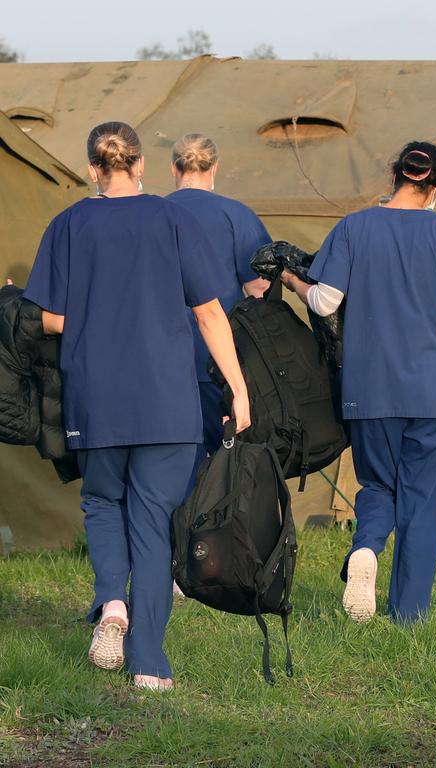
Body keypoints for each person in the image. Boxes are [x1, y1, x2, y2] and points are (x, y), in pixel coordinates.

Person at [23, 122, 250, 691]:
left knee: (102, 502)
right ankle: (150, 664)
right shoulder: (173, 219)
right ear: (143, 164)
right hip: (167, 400)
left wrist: (97, 321)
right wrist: (238, 388)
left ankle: (111, 605)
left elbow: (44, 318)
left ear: (92, 169)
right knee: (153, 523)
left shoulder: (69, 224)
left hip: (96, 396)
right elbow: (209, 312)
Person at [282, 141, 436, 624]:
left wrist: (292, 282)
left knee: (377, 487)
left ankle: (366, 547)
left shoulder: (354, 227)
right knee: (422, 505)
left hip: (368, 391)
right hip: (431, 394)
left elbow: (325, 302)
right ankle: (407, 616)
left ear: (394, 174)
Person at [166, 133, 271, 464]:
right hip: (218, 359)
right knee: (223, 463)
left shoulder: (153, 213)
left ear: (174, 168)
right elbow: (259, 286)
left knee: (172, 464)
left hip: (161, 359)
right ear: (215, 167)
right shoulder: (235, 215)